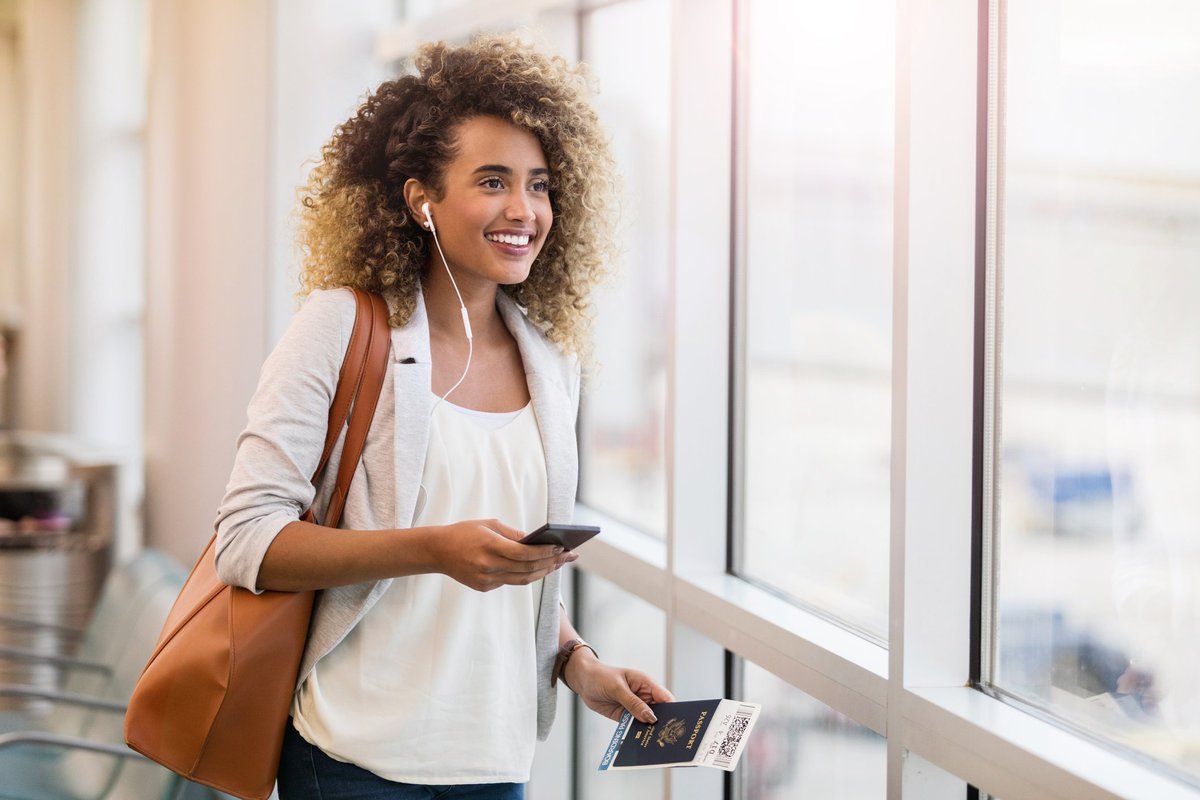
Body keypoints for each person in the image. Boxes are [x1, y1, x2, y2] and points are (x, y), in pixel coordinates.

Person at [213, 33, 673, 800]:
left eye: (540, 184)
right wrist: (431, 549)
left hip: (491, 764)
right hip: (352, 757)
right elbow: (246, 539)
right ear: (422, 198)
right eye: (492, 181)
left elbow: (502, 574)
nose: (524, 210)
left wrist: (576, 662)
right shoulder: (342, 327)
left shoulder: (552, 364)